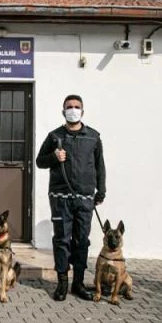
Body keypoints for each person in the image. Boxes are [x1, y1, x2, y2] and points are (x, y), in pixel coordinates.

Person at [36, 94, 106, 301]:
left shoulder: (93, 137)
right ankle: (62, 283)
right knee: (61, 240)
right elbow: (40, 161)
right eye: (69, 107)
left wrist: (100, 191)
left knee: (81, 240)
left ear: (82, 111)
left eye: (76, 107)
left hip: (85, 197)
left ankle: (78, 283)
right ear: (63, 111)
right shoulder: (54, 136)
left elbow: (100, 166)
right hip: (60, 197)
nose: (73, 110)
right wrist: (53, 157)